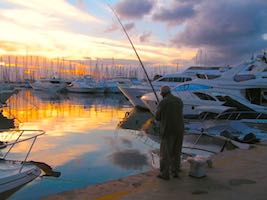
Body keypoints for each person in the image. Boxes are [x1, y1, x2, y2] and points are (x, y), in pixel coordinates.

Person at [155, 86, 184, 180]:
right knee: (177, 152)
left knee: (166, 153)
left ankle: (165, 174)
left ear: (163, 93)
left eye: (161, 94)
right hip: (180, 129)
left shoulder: (163, 102)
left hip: (168, 130)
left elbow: (157, 117)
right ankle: (175, 172)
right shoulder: (179, 100)